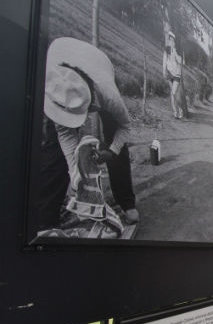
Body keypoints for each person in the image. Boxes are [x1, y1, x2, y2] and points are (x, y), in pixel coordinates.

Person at [43, 37, 139, 228]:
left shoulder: (108, 94)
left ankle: (126, 202)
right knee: (53, 149)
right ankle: (46, 217)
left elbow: (125, 126)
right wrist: (75, 176)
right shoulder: (55, 88)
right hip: (62, 55)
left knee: (116, 140)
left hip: (98, 63)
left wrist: (112, 151)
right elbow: (66, 136)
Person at [162, 30, 184, 119]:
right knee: (172, 94)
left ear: (175, 41)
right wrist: (164, 71)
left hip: (177, 75)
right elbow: (164, 62)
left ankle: (180, 110)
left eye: (173, 40)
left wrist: (176, 54)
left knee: (174, 93)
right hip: (169, 74)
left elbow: (182, 62)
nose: (171, 42)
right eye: (170, 40)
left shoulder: (178, 50)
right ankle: (175, 112)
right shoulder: (166, 50)